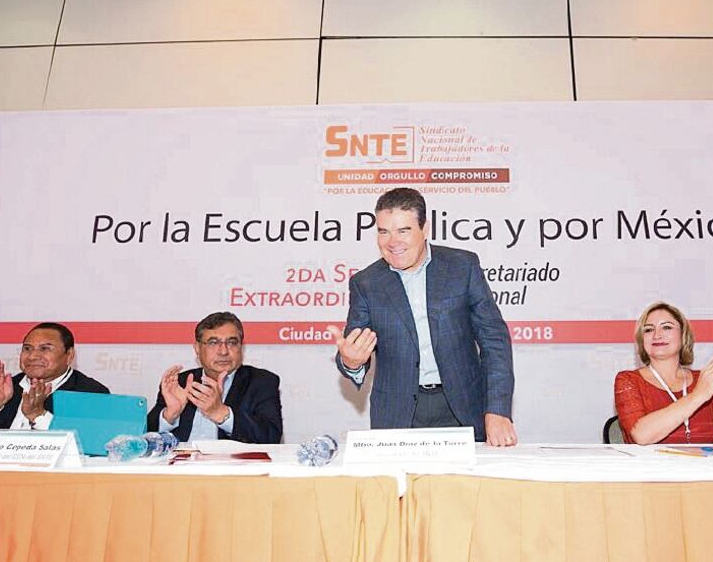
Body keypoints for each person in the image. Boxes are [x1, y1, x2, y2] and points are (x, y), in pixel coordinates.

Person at [328, 187, 517, 446]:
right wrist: (351, 362)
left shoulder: (463, 267)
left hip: (463, 409)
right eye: (383, 231)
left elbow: (494, 340)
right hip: (397, 416)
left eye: (403, 230)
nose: (392, 241)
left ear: (424, 228)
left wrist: (497, 410)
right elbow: (353, 348)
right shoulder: (366, 283)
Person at [614, 302, 713, 445]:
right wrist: (698, 395)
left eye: (666, 327)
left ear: (683, 335)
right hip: (652, 467)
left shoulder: (703, 380)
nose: (657, 335)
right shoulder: (628, 380)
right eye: (648, 330)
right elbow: (641, 436)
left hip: (703, 465)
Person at [147, 311, 282, 443]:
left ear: (241, 347)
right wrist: (170, 415)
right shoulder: (180, 382)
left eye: (232, 342)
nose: (223, 351)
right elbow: (142, 437)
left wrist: (221, 413)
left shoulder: (262, 382)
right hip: (179, 464)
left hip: (231, 464)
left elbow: (271, 436)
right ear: (197, 348)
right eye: (213, 342)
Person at [0, 322, 109, 430]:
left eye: (45, 349)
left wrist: (38, 416)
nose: (33, 356)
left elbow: (88, 445)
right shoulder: (6, 387)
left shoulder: (90, 392)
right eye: (27, 348)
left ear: (69, 356)